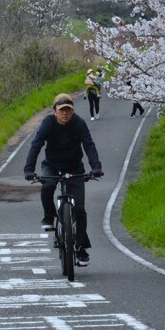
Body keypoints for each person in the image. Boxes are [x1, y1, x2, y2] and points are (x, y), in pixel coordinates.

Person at [24, 93, 104, 266]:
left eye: (68, 110)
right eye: (61, 110)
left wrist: (96, 167)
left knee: (80, 209)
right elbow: (36, 144)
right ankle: (49, 217)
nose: (65, 114)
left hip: (74, 167)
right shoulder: (48, 123)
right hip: (52, 165)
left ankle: (81, 248)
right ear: (54, 112)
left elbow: (89, 145)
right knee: (47, 186)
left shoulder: (79, 123)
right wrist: (29, 169)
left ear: (72, 111)